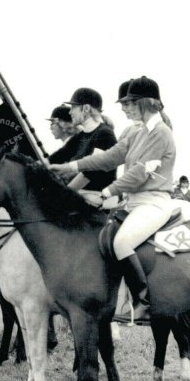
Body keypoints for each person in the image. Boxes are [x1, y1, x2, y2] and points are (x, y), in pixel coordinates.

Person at [50, 76, 174, 325]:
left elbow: (139, 173)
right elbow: (109, 158)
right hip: (132, 202)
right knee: (102, 238)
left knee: (122, 241)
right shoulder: (132, 131)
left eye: (129, 103)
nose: (123, 108)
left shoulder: (161, 133)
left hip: (153, 201)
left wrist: (106, 193)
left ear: (146, 103)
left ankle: (143, 303)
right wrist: (69, 166)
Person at [48, 87, 117, 191]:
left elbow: (91, 173)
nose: (70, 112)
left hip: (97, 197)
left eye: (73, 107)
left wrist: (64, 194)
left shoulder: (105, 133)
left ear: (86, 108)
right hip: (81, 195)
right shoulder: (81, 136)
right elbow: (56, 157)